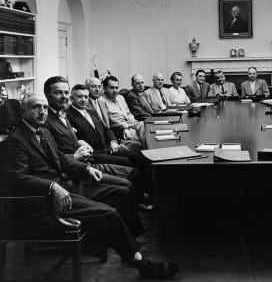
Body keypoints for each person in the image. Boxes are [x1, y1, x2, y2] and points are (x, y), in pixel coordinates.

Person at [1, 93, 179, 279]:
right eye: (36, 107)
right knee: (108, 213)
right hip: (45, 201)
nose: (42, 112)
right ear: (23, 111)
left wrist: (86, 169)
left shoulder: (43, 132)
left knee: (121, 191)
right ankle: (143, 264)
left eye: (45, 107)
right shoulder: (16, 140)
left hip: (64, 187)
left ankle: (126, 247)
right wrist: (52, 186)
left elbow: (60, 158)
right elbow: (17, 179)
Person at [101, 76, 147, 147]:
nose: (115, 90)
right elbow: (109, 121)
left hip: (131, 124)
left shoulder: (120, 98)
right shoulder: (101, 101)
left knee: (145, 126)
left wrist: (131, 117)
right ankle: (148, 153)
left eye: (116, 88)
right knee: (144, 135)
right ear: (104, 88)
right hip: (119, 129)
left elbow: (128, 113)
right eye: (112, 88)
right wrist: (126, 128)